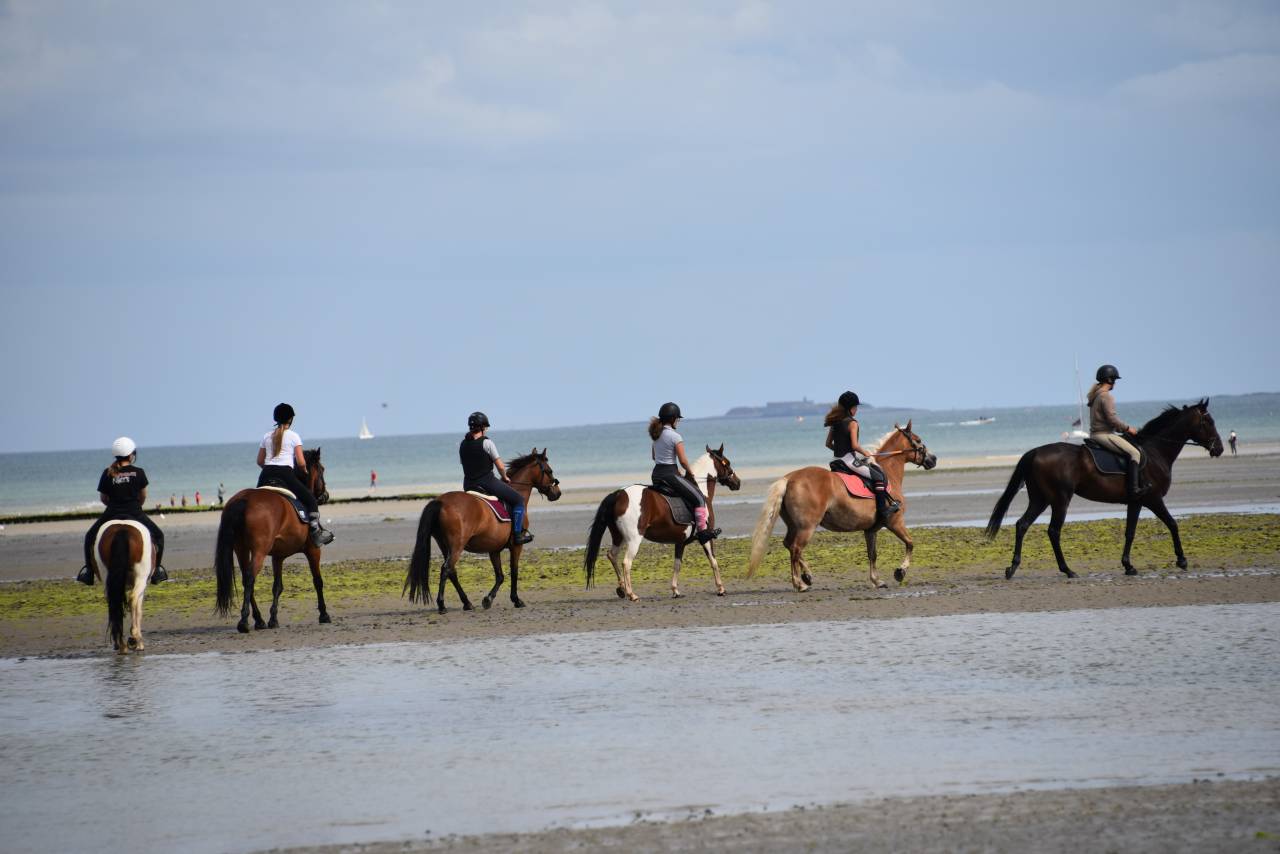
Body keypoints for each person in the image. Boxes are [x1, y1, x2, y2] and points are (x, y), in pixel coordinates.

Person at [77, 437, 167, 585]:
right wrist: (136, 506)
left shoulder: (107, 472)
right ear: (131, 454)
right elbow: (143, 496)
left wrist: (113, 505)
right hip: (135, 513)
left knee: (89, 538)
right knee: (159, 536)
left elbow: (103, 498)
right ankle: (157, 570)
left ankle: (89, 572)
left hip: (111, 513)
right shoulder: (139, 472)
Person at [256, 402, 334, 547]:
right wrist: (304, 470)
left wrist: (269, 469)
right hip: (286, 475)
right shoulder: (294, 436)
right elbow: (301, 462)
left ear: (275, 418)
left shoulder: (266, 436)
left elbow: (260, 461)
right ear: (291, 419)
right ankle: (316, 533)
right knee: (310, 500)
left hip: (265, 475)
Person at [648, 402, 719, 544]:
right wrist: (690, 472)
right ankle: (703, 532)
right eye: (678, 419)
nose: (678, 422)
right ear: (673, 418)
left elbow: (654, 457)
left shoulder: (657, 435)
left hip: (656, 475)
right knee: (699, 498)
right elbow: (683, 461)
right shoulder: (675, 436)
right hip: (670, 475)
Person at [824, 391, 899, 523]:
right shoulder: (853, 423)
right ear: (850, 408)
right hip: (849, 461)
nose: (856, 409)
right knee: (879, 477)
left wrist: (841, 451)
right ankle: (882, 511)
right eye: (855, 407)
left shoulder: (835, 422)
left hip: (836, 461)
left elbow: (828, 444)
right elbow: (854, 445)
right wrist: (865, 453)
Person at [460, 411, 533, 545]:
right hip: (487, 483)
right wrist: (504, 477)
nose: (486, 430)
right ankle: (517, 535)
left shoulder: (463, 444)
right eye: (486, 427)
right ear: (482, 428)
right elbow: (499, 465)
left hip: (468, 485)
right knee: (518, 500)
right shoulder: (487, 443)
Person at [1087, 364, 1145, 498]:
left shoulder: (1095, 395)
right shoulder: (1106, 396)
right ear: (1110, 380)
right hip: (1104, 435)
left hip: (1096, 434)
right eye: (1115, 380)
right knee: (1134, 453)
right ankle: (1134, 488)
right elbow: (1112, 420)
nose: (1115, 384)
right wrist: (1128, 428)